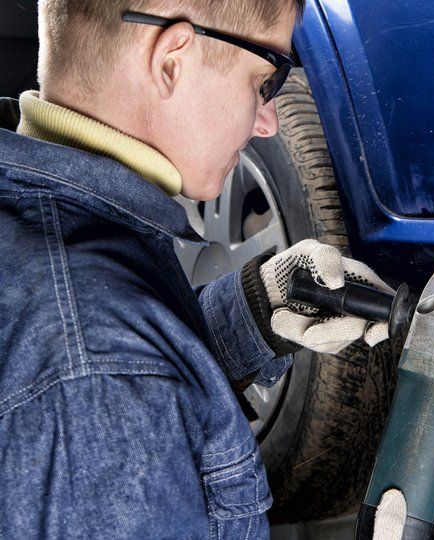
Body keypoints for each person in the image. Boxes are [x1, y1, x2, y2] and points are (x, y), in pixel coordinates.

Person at [0, 1, 392, 537]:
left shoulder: (37, 244)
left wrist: (250, 313)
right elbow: (104, 382)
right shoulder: (100, 370)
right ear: (171, 61)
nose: (269, 123)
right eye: (265, 81)